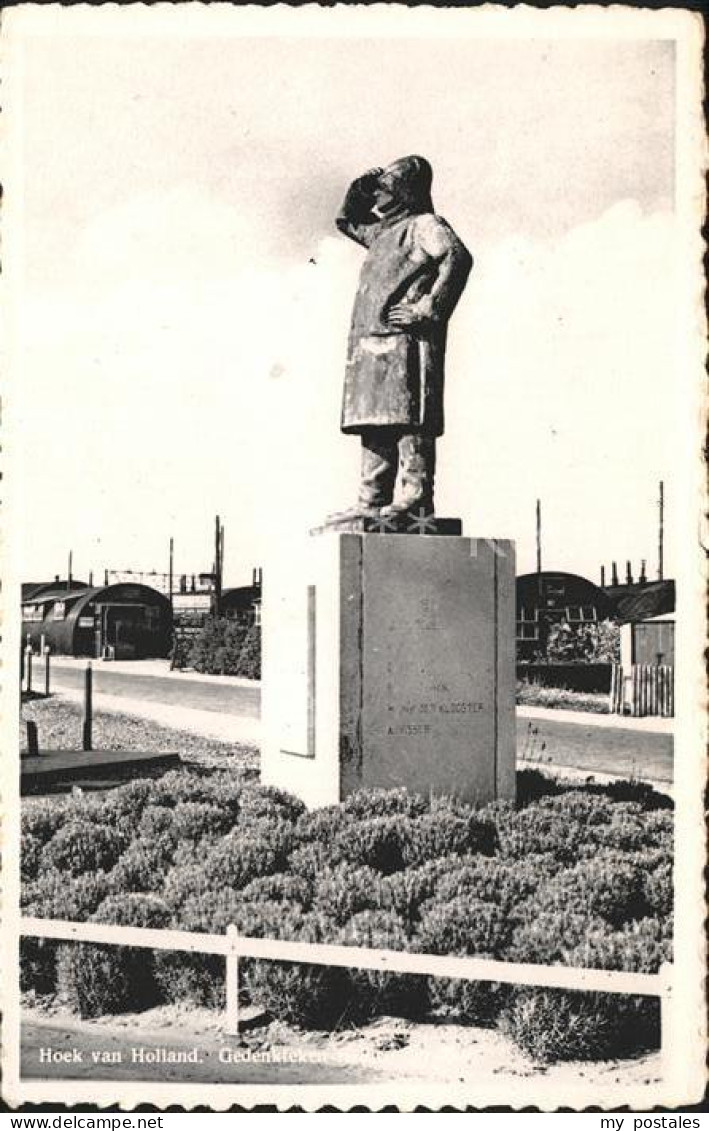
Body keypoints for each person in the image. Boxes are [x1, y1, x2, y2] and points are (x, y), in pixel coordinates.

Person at [334, 155, 472, 520]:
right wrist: (358, 190)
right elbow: (348, 221)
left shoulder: (424, 225)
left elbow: (457, 258)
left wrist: (429, 307)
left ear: (403, 192)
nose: (377, 197)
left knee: (409, 418)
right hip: (370, 344)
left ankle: (415, 496)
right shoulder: (382, 233)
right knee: (373, 420)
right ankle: (372, 499)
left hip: (405, 339)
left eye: (383, 190)